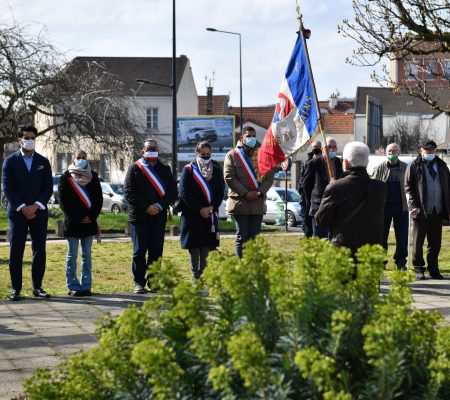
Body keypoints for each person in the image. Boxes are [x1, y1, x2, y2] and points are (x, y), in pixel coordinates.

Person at [2, 125, 53, 301]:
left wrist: (36, 206)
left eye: (33, 137)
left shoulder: (43, 161)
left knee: (39, 249)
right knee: (16, 250)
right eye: (26, 137)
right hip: (18, 213)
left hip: (38, 212)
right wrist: (23, 207)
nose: (30, 140)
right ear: (20, 140)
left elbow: (47, 188)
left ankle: (37, 287)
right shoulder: (10, 161)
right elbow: (7, 189)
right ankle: (16, 289)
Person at [124, 138, 176, 293]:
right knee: (139, 251)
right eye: (149, 148)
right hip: (139, 217)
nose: (152, 150)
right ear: (142, 151)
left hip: (158, 217)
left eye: (155, 147)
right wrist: (146, 207)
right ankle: (139, 282)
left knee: (156, 252)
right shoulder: (134, 168)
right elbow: (128, 192)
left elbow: (173, 191)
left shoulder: (165, 169)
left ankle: (153, 282)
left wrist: (160, 205)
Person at [315, 141, 386, 255]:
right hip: (371, 252)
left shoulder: (336, 187)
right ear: (367, 162)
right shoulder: (380, 187)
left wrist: (332, 187)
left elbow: (321, 221)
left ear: (346, 163)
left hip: (344, 249)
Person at [224, 126, 274, 258]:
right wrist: (245, 193)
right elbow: (229, 177)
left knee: (254, 239)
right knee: (242, 237)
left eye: (253, 136)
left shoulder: (262, 155)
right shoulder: (232, 155)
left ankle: (252, 268)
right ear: (242, 138)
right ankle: (242, 270)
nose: (252, 138)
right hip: (240, 203)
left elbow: (269, 178)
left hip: (257, 204)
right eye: (248, 136)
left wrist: (259, 193)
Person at [58, 150, 103, 296]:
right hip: (72, 223)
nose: (81, 159)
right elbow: (63, 201)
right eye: (78, 157)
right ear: (73, 160)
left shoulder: (94, 176)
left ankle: (86, 285)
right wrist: (77, 217)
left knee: (86, 255)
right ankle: (73, 286)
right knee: (72, 255)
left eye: (83, 157)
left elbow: (98, 199)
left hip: (89, 223)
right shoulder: (66, 177)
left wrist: (91, 216)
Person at [179, 141, 225, 280]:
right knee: (194, 247)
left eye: (208, 154)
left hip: (209, 215)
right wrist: (200, 209)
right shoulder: (189, 169)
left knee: (206, 246)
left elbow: (220, 191)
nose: (205, 156)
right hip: (193, 214)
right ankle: (195, 275)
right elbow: (184, 192)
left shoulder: (216, 168)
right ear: (196, 153)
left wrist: (211, 207)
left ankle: (204, 274)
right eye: (202, 154)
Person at [404, 139, 450, 280]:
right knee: (418, 242)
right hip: (420, 210)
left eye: (433, 150)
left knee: (435, 243)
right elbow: (408, 187)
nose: (430, 152)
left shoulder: (442, 166)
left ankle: (433, 269)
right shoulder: (414, 166)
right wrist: (413, 206)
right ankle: (419, 269)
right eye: (427, 150)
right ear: (421, 150)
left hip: (438, 210)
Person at [371, 143, 409, 270]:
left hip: (401, 207)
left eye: (394, 151)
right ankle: (381, 261)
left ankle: (400, 261)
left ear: (399, 152)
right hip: (383, 208)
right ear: (386, 152)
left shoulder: (405, 167)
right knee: (381, 235)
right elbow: (374, 186)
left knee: (402, 236)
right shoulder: (380, 167)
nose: (392, 154)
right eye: (389, 151)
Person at [303, 137, 343, 238]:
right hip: (319, 208)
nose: (332, 149)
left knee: (333, 240)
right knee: (320, 240)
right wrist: (312, 201)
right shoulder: (313, 163)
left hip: (335, 208)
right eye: (329, 147)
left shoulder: (340, 163)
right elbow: (306, 186)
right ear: (323, 149)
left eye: (334, 147)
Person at [298, 141, 322, 238]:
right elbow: (302, 179)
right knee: (306, 216)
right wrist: (302, 194)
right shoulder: (307, 161)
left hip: (317, 195)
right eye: (314, 147)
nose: (316, 148)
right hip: (307, 195)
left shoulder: (324, 161)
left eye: (318, 147)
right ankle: (307, 235)